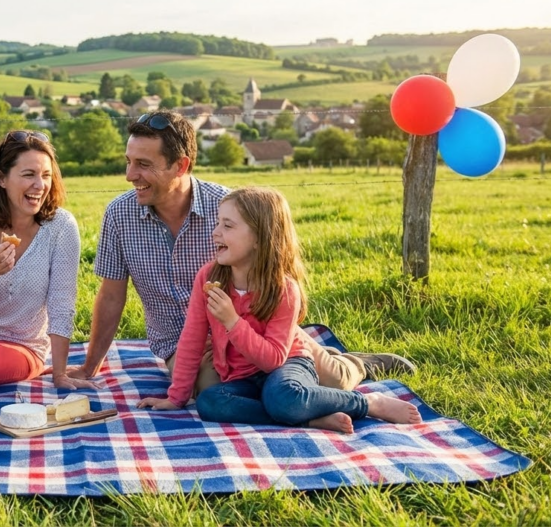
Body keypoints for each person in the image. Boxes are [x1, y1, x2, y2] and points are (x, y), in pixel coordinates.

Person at [68, 110, 415, 394]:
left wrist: (266, 336)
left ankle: (355, 363)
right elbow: (111, 295)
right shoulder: (119, 214)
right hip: (180, 343)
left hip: (255, 330)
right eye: (128, 161)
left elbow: (278, 278)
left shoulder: (227, 207)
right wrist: (90, 366)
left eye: (143, 164)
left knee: (332, 381)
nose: (130, 175)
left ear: (181, 166)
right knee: (213, 390)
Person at [138, 187, 422, 433]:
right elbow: (192, 338)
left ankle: (367, 403)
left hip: (286, 365)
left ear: (259, 238)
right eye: (217, 223)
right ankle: (310, 419)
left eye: (228, 225)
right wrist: (175, 398)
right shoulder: (208, 278)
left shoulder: (284, 289)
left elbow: (274, 360)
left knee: (285, 397)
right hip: (240, 376)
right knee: (210, 402)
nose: (215, 232)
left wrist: (232, 321)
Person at [0, 130, 101, 391]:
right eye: (29, 174)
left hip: (23, 344)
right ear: (2, 179)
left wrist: (60, 374)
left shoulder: (61, 227)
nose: (40, 185)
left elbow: (61, 305)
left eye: (46, 175)